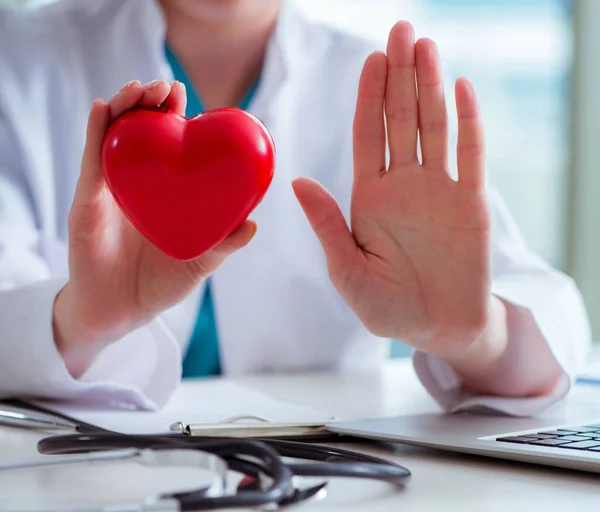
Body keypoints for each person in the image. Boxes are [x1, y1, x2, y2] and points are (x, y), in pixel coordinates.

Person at [0, 0, 591, 415]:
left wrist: (473, 333)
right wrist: (80, 320)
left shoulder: (378, 88)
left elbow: (557, 329)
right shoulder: (18, 56)